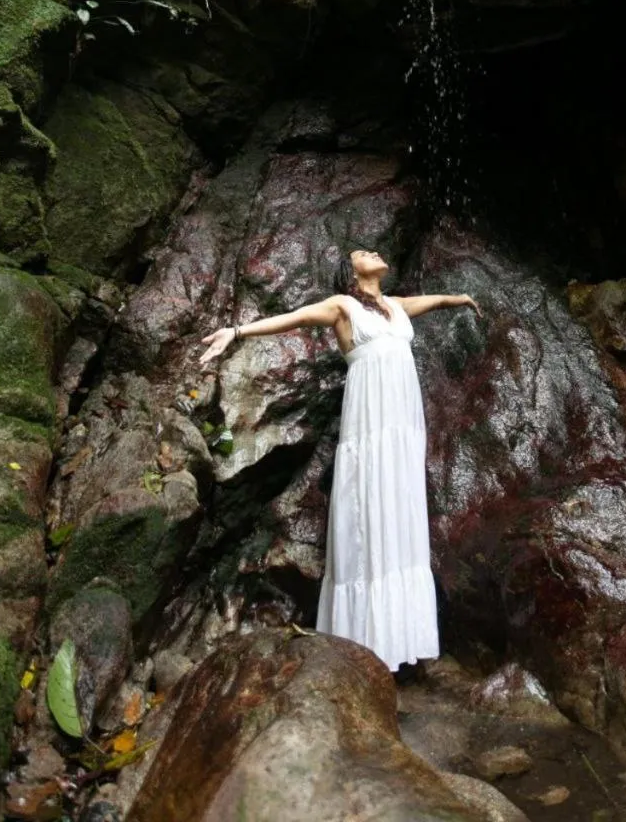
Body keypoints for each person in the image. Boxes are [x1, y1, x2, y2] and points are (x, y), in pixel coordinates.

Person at [198, 247, 480, 672]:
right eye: (363, 252)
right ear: (352, 271)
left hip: (402, 429)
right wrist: (236, 332)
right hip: (370, 427)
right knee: (369, 510)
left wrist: (459, 299)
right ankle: (365, 643)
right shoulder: (343, 306)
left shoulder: (396, 306)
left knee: (399, 512)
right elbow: (294, 318)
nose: (375, 252)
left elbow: (433, 301)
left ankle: (402, 637)